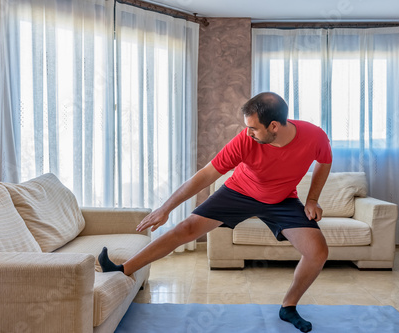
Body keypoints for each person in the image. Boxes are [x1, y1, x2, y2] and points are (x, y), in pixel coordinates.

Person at [98, 92, 332, 333]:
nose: (248, 132)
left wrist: (312, 199)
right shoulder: (245, 140)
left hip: (282, 199)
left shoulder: (314, 136)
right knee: (186, 228)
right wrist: (166, 208)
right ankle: (123, 268)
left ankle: (288, 307)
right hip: (239, 191)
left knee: (318, 251)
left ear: (274, 126)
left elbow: (324, 161)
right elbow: (206, 174)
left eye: (253, 128)